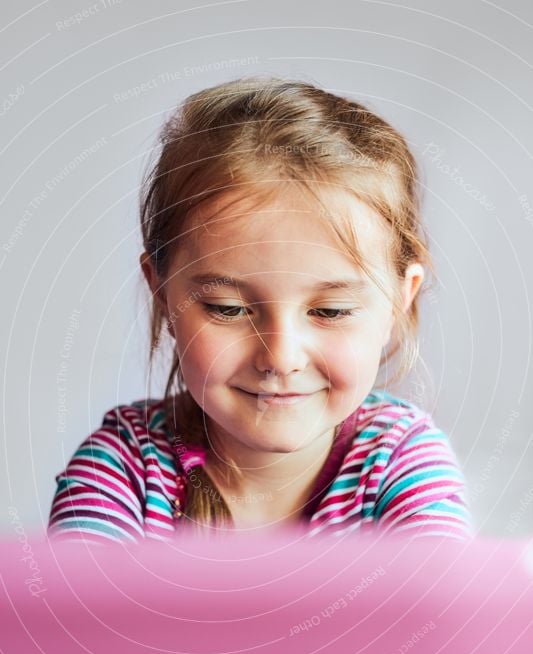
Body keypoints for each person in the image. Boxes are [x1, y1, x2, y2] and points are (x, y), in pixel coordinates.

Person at [47, 76, 473, 544]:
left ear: (399, 300)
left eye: (330, 311)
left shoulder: (400, 460)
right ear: (163, 293)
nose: (280, 357)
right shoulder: (124, 464)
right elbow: (77, 614)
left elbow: (441, 609)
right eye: (227, 308)